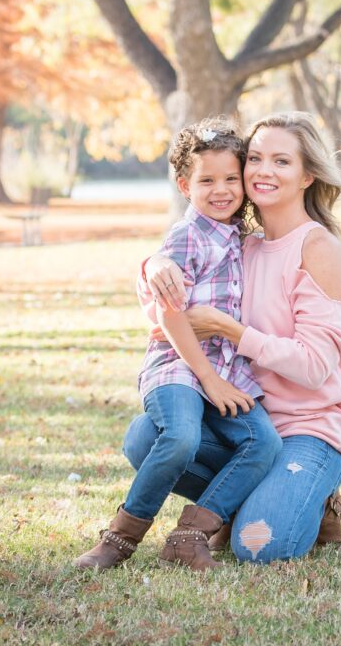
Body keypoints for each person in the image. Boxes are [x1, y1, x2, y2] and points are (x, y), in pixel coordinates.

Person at [127, 111, 341, 564]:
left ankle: (313, 499)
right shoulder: (242, 244)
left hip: (305, 429)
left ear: (307, 175)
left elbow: (314, 367)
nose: (263, 170)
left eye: (281, 161)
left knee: (260, 546)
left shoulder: (318, 249)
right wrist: (154, 266)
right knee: (146, 437)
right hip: (242, 421)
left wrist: (229, 330)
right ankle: (250, 498)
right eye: (255, 158)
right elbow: (171, 302)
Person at [73, 119, 282, 573]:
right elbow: (170, 313)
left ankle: (191, 536)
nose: (221, 190)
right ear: (185, 184)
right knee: (181, 436)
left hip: (226, 373)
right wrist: (208, 379)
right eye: (207, 180)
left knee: (263, 443)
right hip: (179, 369)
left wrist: (220, 378)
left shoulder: (240, 237)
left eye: (231, 178)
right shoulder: (186, 238)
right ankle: (120, 538)